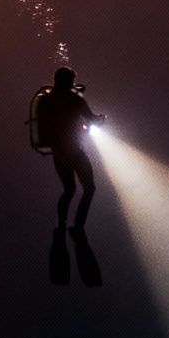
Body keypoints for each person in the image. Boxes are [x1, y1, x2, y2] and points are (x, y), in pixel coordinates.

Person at [36, 67, 104, 231]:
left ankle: (61, 224)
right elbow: (91, 119)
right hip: (74, 150)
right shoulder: (75, 100)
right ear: (70, 81)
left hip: (58, 151)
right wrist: (101, 119)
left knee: (69, 189)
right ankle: (78, 227)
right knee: (89, 187)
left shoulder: (46, 100)